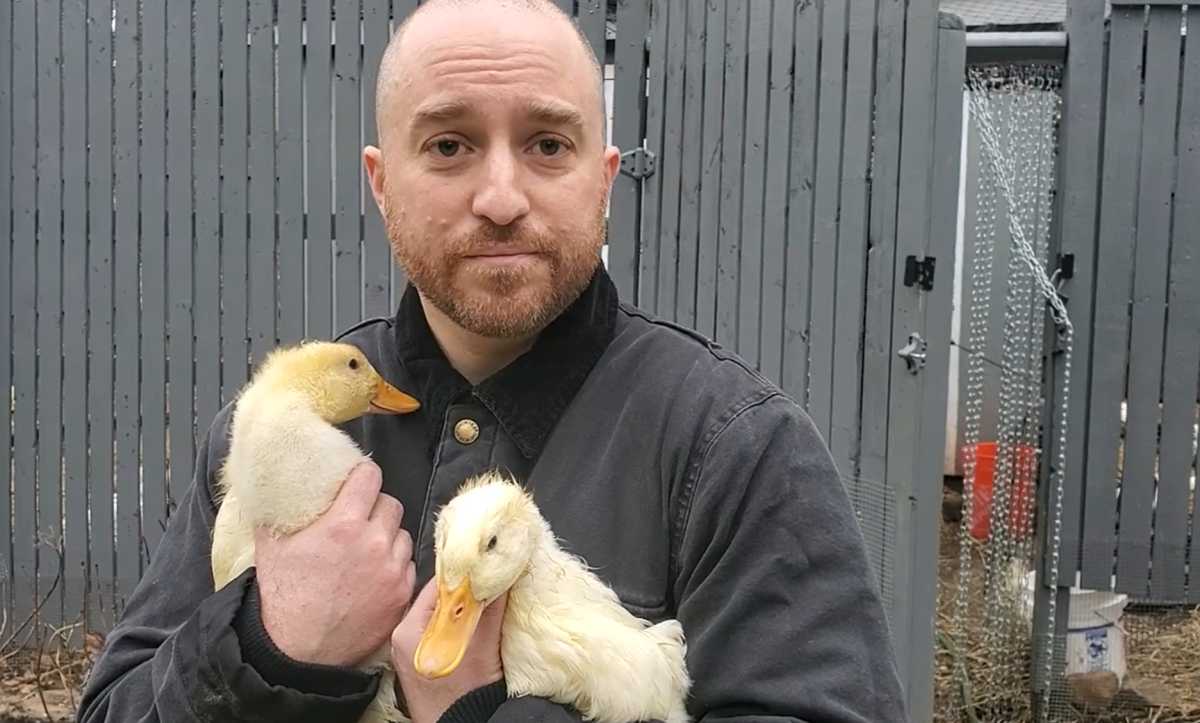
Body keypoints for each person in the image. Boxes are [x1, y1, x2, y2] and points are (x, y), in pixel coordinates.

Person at [77, 1, 908, 721]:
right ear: (380, 182)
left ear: (603, 179)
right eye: (449, 145)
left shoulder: (736, 449)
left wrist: (483, 712)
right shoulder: (278, 434)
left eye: (548, 144)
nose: (502, 198)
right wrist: (269, 645)